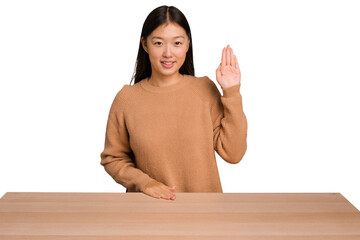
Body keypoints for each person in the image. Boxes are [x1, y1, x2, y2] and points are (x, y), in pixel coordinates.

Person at [100, 5, 247, 201]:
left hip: (205, 215)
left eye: (177, 43)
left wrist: (232, 91)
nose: (168, 53)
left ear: (187, 44)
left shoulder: (204, 90)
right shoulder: (127, 99)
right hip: (147, 216)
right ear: (145, 45)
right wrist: (145, 183)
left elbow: (234, 154)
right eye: (159, 43)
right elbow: (113, 159)